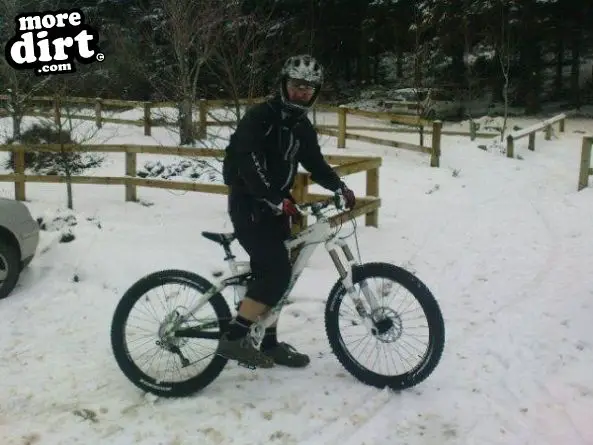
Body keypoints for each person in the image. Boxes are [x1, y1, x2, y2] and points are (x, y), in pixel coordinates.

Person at [218, 54, 356, 369]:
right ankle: (235, 337)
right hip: (249, 206)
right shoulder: (260, 118)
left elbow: (316, 164)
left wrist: (339, 187)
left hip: (278, 208)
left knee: (280, 276)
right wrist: (275, 199)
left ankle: (268, 343)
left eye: (308, 88)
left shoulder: (300, 126)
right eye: (297, 85)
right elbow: (247, 162)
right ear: (284, 84)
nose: (302, 92)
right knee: (277, 272)